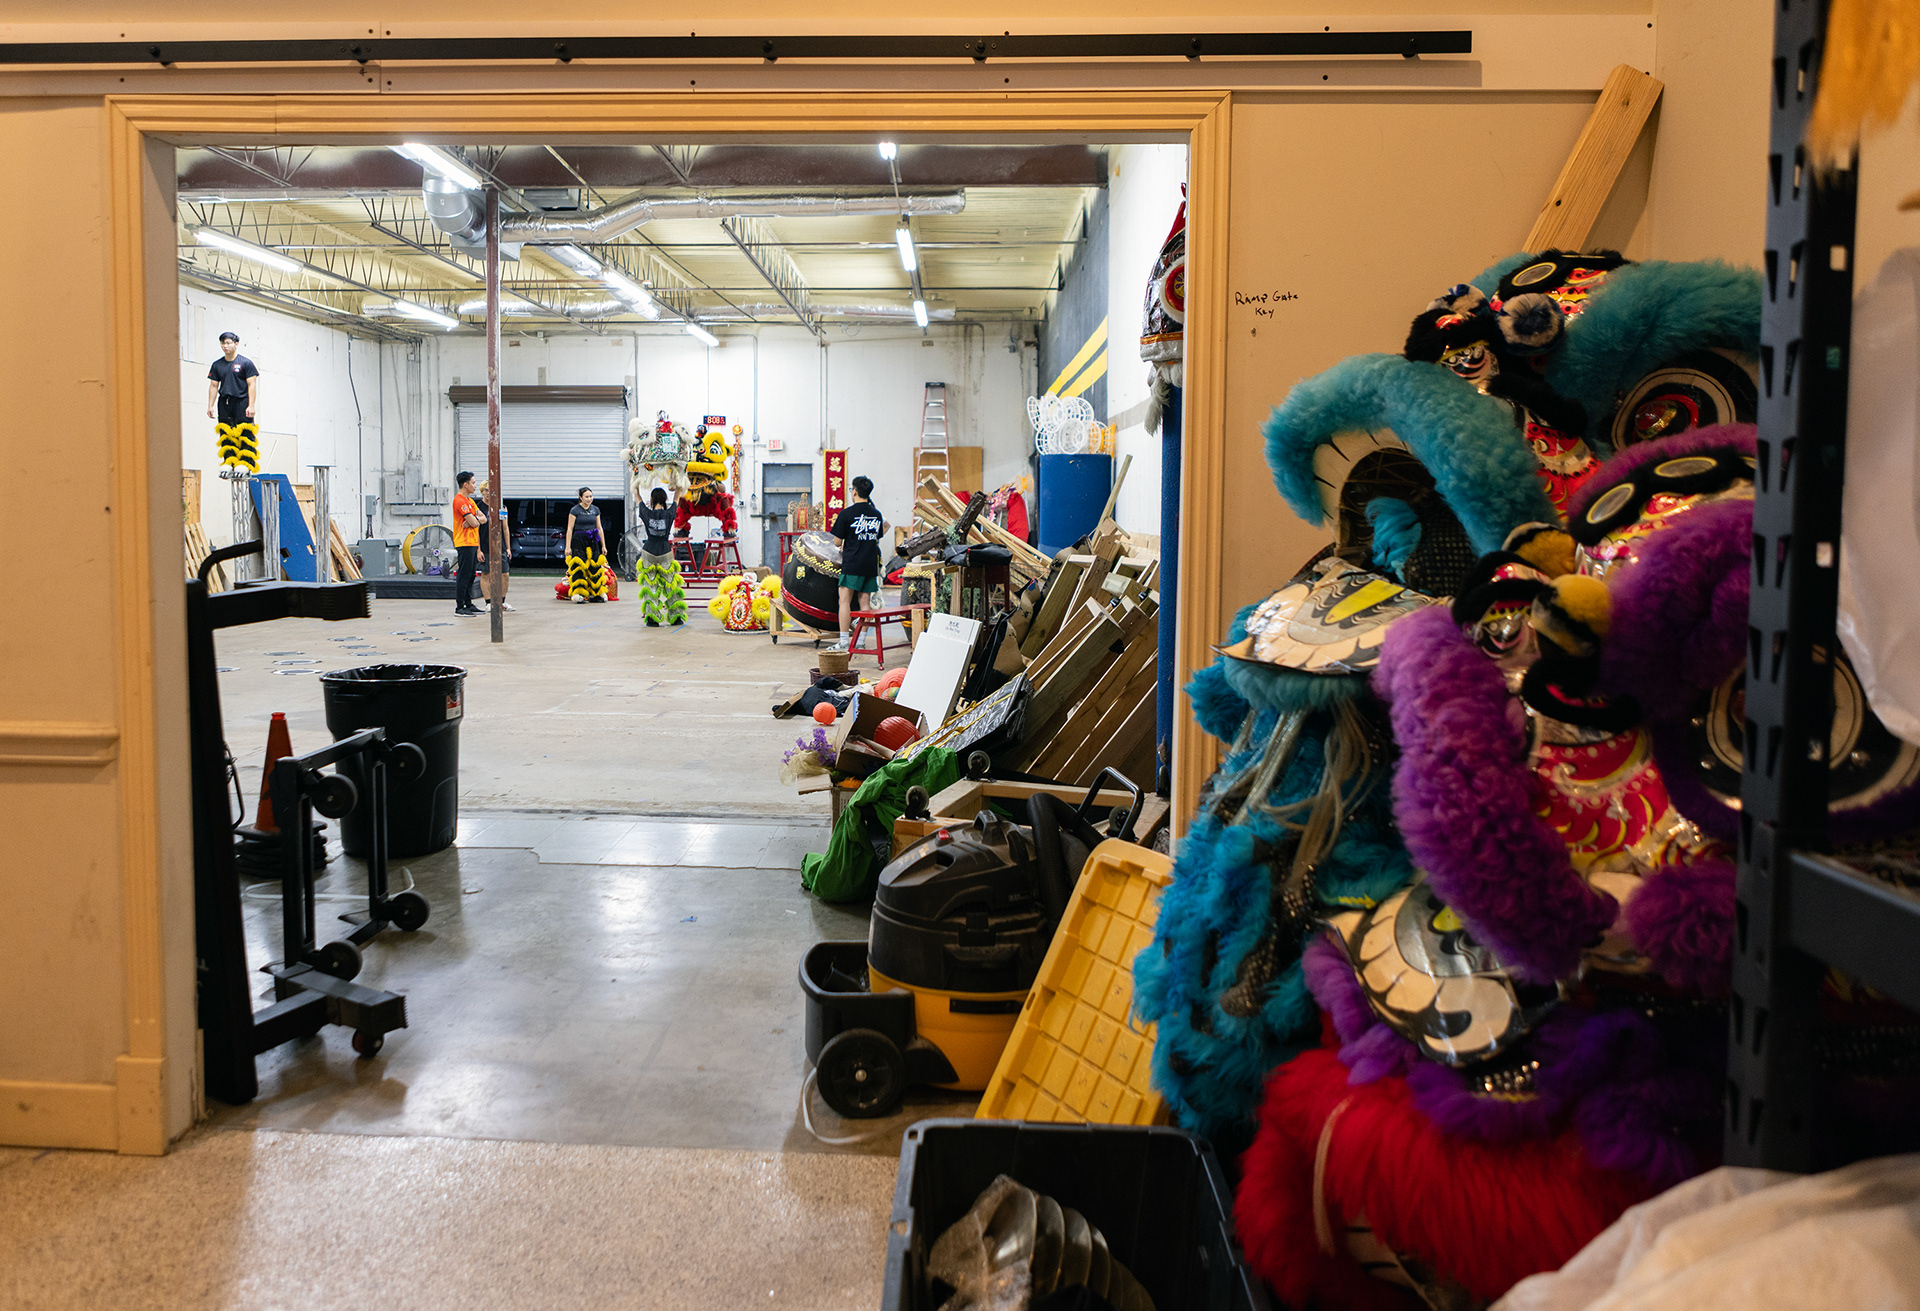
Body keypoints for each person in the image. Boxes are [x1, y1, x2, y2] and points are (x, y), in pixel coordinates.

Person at [829, 475, 887, 650]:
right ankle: (861, 641)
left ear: (854, 491)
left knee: (844, 601)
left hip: (852, 564)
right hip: (869, 565)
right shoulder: (876, 514)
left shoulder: (847, 514)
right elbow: (875, 538)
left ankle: (844, 641)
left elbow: (837, 542)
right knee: (864, 604)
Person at [205, 331, 261, 478]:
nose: (225, 346)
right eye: (223, 343)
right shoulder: (217, 365)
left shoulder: (245, 363)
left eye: (228, 343)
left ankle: (245, 462)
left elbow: (252, 385)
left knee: (245, 432)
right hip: (225, 402)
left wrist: (251, 405)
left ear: (236, 344)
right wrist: (210, 405)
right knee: (226, 432)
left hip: (242, 401)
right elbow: (213, 386)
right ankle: (229, 462)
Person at [635, 487, 687, 627]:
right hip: (665, 551)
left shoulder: (646, 512)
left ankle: (652, 619)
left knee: (651, 585)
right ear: (665, 500)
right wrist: (677, 485)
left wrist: (636, 487)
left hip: (649, 551)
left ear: (651, 500)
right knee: (671, 585)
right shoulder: (670, 513)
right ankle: (676, 617)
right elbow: (677, 497)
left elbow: (638, 497)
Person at [474, 479, 515, 612]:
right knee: (486, 574)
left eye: (491, 491)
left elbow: (505, 528)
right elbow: (476, 531)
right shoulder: (478, 508)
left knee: (505, 574)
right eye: (485, 490)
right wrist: (478, 550)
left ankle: (502, 601)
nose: (488, 493)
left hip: (500, 546)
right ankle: (488, 602)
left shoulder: (501, 507)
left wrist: (508, 547)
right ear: (481, 492)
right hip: (485, 546)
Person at [565, 486, 609, 604]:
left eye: (591, 496)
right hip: (578, 540)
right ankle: (578, 594)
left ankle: (596, 593)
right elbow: (570, 528)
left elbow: (599, 528)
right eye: (586, 497)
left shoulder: (596, 510)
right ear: (580, 498)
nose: (589, 499)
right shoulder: (575, 510)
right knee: (579, 566)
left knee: (595, 567)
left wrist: (603, 545)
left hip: (593, 540)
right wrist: (567, 546)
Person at [451, 472, 484, 617]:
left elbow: (483, 519)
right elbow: (475, 522)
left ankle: (468, 603)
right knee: (463, 575)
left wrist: (474, 520)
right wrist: (474, 521)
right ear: (465, 485)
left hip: (472, 542)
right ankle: (460, 606)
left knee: (471, 574)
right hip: (463, 543)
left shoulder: (470, 501)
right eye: (473, 483)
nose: (474, 486)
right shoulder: (459, 501)